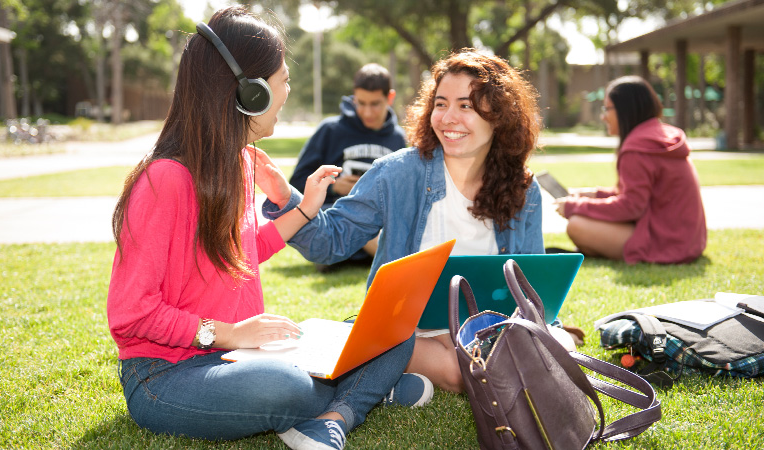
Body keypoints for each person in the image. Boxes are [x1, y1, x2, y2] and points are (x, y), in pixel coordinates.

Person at [106, 7, 432, 450]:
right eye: (284, 79)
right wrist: (231, 333)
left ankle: (343, 398)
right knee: (285, 386)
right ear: (250, 93)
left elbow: (240, 252)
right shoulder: (163, 180)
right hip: (168, 375)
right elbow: (132, 313)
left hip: (239, 357)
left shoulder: (239, 161)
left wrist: (303, 208)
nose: (288, 91)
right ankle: (358, 393)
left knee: (390, 328)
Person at [264, 50, 559, 393]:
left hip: (483, 331)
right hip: (406, 330)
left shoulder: (524, 188)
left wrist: (547, 329)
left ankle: (389, 376)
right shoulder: (398, 172)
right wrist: (287, 197)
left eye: (466, 106)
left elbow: (530, 289)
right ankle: (368, 354)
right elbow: (330, 243)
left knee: (533, 356)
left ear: (499, 115)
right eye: (441, 103)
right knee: (458, 371)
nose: (449, 118)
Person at [552, 75, 707, 264]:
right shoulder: (659, 135)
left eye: (606, 109)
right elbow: (643, 195)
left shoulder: (637, 147)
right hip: (688, 241)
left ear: (625, 110)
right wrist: (594, 194)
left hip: (664, 243)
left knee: (576, 225)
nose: (603, 116)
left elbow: (631, 207)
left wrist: (574, 206)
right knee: (582, 219)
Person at [289, 63, 406, 271]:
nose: (367, 112)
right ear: (353, 97)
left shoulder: (399, 138)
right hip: (338, 215)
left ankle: (371, 255)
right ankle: (391, 262)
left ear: (390, 98)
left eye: (375, 104)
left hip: (381, 220)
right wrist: (333, 187)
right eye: (361, 103)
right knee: (340, 219)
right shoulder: (330, 130)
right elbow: (296, 184)